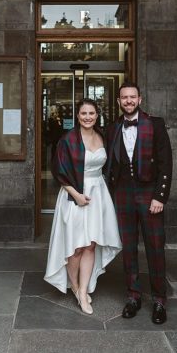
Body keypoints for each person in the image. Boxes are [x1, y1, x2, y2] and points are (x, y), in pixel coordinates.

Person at [44, 98, 121, 315]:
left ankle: (84, 288)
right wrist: (76, 195)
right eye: (83, 113)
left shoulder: (102, 136)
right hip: (74, 194)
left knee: (91, 245)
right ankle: (77, 289)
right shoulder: (67, 140)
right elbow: (59, 171)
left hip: (98, 193)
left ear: (97, 115)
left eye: (92, 113)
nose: (88, 117)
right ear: (77, 116)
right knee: (76, 247)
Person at [105, 82, 173, 324]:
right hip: (123, 192)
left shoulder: (155, 124)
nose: (128, 101)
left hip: (148, 192)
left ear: (140, 99)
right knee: (129, 248)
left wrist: (159, 196)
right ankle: (133, 296)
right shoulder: (113, 128)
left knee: (155, 246)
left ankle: (159, 300)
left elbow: (166, 163)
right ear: (119, 101)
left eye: (132, 97)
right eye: (124, 98)